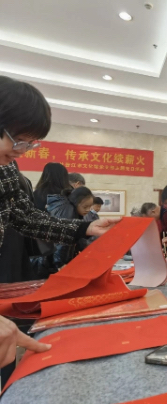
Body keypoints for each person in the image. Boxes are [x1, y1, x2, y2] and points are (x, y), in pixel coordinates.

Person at [0, 75, 120, 367]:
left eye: (30, 144)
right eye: (18, 140)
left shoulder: (7, 169)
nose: (21, 151)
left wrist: (84, 227)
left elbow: (25, 217)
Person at [47, 187, 95, 268]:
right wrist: (59, 264)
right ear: (76, 202)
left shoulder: (70, 209)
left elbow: (78, 238)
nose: (87, 210)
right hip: (54, 260)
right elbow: (61, 240)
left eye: (90, 207)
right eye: (85, 207)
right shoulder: (68, 212)